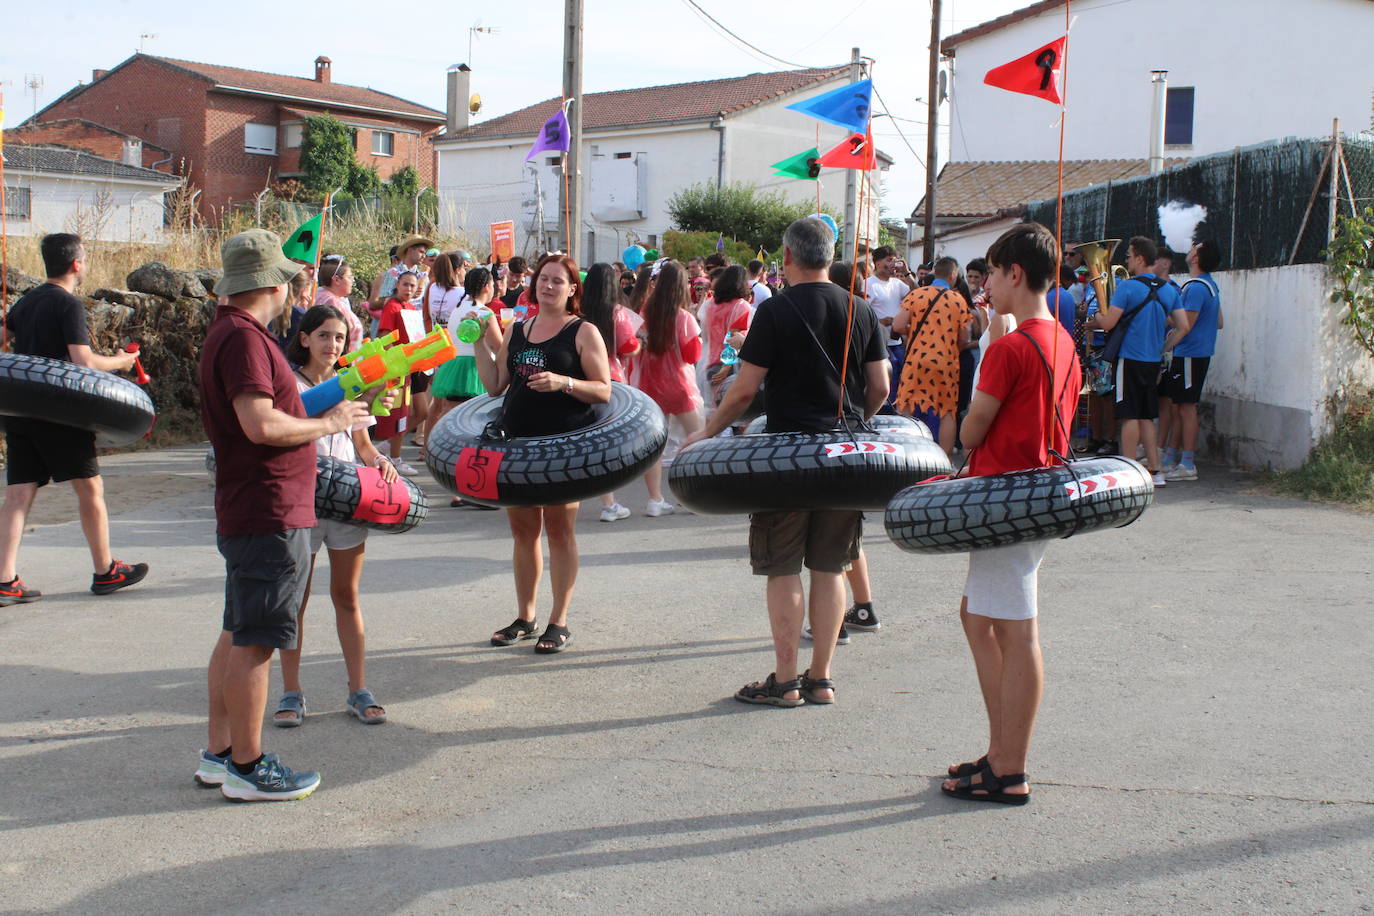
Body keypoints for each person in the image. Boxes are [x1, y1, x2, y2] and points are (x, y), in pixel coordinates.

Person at [682, 217, 888, 707]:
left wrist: (706, 433)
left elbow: (745, 390)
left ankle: (786, 679)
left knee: (783, 567)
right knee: (830, 566)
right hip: (843, 459)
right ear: (831, 253)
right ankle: (822, 679)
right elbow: (879, 388)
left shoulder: (774, 311)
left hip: (786, 459)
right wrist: (856, 421)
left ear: (788, 257)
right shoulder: (861, 309)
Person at [196, 228, 372, 801]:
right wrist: (329, 424)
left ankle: (220, 754)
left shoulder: (231, 332)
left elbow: (275, 409)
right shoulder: (246, 340)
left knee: (237, 632)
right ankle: (247, 766)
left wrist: (334, 405)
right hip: (269, 508)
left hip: (253, 505)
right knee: (257, 642)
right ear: (273, 282)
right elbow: (262, 425)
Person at [939, 222, 1081, 806]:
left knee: (1016, 632)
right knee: (981, 618)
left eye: (993, 273)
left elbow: (973, 429)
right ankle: (1001, 751)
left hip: (1004, 500)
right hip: (1036, 493)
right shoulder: (1063, 340)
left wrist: (992, 352)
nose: (987, 284)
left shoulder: (1009, 347)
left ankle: (1008, 764)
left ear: (1014, 274)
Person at [472, 255, 611, 653]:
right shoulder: (517, 328)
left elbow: (604, 389)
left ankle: (559, 620)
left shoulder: (583, 331)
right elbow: (496, 385)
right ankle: (525, 616)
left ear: (572, 290)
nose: (548, 286)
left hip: (563, 445)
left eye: (557, 281)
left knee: (560, 531)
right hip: (517, 443)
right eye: (543, 280)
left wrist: (564, 381)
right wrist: (480, 341)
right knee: (523, 532)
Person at [0, 232, 147, 607]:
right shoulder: (68, 305)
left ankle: (4, 579)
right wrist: (121, 362)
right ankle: (105, 570)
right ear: (76, 264)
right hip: (61, 411)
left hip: (19, 409)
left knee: (18, 494)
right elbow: (82, 362)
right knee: (89, 490)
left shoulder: (25, 301)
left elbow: (4, 339)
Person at [272, 304, 397, 728]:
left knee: (347, 596)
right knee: (294, 602)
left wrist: (379, 460)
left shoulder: (350, 382)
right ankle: (291, 693)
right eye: (324, 335)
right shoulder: (286, 383)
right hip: (300, 502)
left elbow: (363, 444)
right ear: (304, 338)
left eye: (340, 338)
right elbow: (284, 426)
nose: (332, 344)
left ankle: (358, 690)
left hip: (345, 501)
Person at [1086, 236, 1186, 487]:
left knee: (1129, 416)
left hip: (1129, 359)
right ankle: (1155, 471)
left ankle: (1128, 471)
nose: (1126, 260)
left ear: (1140, 258)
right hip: (1153, 361)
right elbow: (1183, 326)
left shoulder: (1127, 288)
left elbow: (1108, 324)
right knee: (1146, 416)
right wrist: (1163, 346)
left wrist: (1097, 313)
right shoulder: (1167, 289)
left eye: (1129, 256)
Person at [630, 260, 704, 517]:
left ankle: (655, 500)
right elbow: (692, 354)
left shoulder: (643, 312)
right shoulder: (683, 317)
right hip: (680, 387)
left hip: (649, 386)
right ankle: (697, 495)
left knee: (655, 447)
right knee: (697, 439)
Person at [580, 263, 643, 522]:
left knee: (588, 439)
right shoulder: (617, 312)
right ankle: (609, 503)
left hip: (580, 379)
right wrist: (639, 344)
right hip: (611, 380)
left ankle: (606, 501)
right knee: (606, 444)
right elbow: (628, 348)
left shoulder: (578, 311)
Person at [893, 257, 972, 456]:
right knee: (946, 412)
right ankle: (944, 462)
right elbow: (964, 339)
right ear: (953, 274)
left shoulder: (917, 294)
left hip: (916, 359)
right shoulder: (958, 299)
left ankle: (906, 456)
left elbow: (898, 326)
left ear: (934, 273)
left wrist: (916, 332)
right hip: (946, 362)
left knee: (907, 406)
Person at [1160, 240, 1223, 481]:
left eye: (1194, 248)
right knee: (1179, 407)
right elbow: (1218, 321)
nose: (1190, 249)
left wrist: (1163, 346)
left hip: (1190, 354)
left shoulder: (1195, 287)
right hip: (1195, 353)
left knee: (1186, 409)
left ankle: (1187, 464)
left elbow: (1185, 326)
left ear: (1196, 258)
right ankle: (1171, 458)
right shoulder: (1209, 285)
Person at [374, 271, 424, 476]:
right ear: (397, 284)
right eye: (406, 285)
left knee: (419, 412)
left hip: (411, 366)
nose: (409, 289)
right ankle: (395, 458)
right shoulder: (392, 307)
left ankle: (389, 447)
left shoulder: (412, 308)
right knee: (399, 413)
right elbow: (385, 337)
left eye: (412, 286)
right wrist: (398, 360)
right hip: (397, 368)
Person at [864, 246, 918, 412]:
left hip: (896, 341)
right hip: (879, 344)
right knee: (888, 375)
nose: (893, 264)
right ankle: (882, 409)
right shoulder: (869, 284)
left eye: (894, 260)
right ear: (877, 263)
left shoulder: (897, 284)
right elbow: (863, 314)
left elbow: (918, 293)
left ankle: (896, 409)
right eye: (889, 260)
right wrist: (881, 321)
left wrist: (907, 272)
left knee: (902, 373)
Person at [698, 264, 752, 416]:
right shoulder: (741, 307)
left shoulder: (710, 305)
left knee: (709, 412)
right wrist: (725, 367)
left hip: (705, 364)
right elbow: (733, 339)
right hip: (726, 367)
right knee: (726, 415)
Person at [315, 256, 364, 353]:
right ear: (337, 280)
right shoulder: (332, 303)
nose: (352, 281)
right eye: (349, 277)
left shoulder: (318, 295)